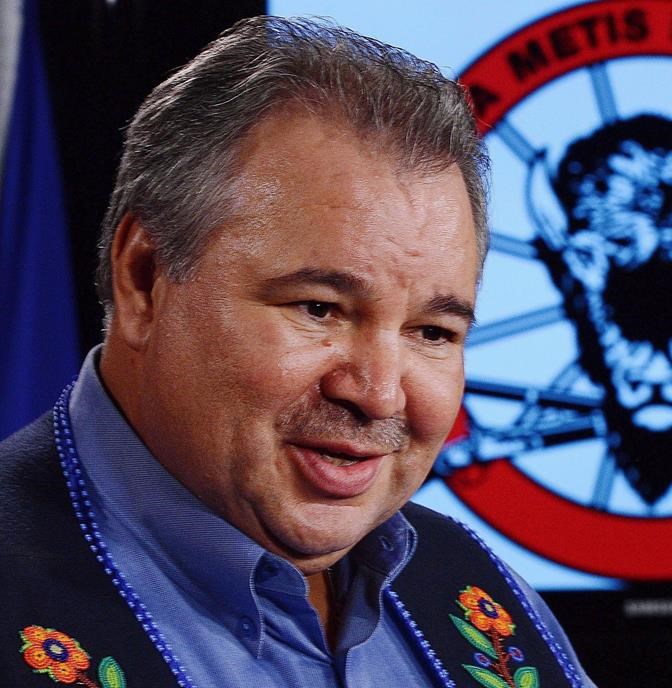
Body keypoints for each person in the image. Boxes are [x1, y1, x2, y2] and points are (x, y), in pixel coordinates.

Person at [0, 16, 593, 688]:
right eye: (320, 309)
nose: (377, 394)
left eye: (432, 332)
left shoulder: (478, 592)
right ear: (144, 279)